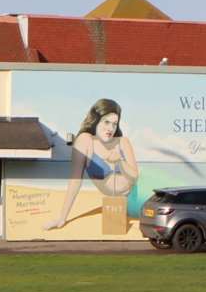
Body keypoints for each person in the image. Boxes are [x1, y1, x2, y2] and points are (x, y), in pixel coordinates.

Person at [46, 98, 140, 231]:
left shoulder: (122, 142)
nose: (111, 128)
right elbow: (75, 181)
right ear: (96, 120)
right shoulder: (85, 141)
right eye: (106, 122)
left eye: (114, 124)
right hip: (119, 203)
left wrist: (120, 161)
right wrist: (62, 218)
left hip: (136, 195)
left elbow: (135, 177)